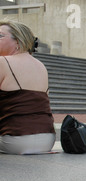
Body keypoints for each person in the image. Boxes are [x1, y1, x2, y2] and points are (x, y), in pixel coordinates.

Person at [0, 20, 56, 155]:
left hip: (15, 140)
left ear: (18, 41)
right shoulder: (41, 66)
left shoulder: (3, 62)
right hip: (47, 140)